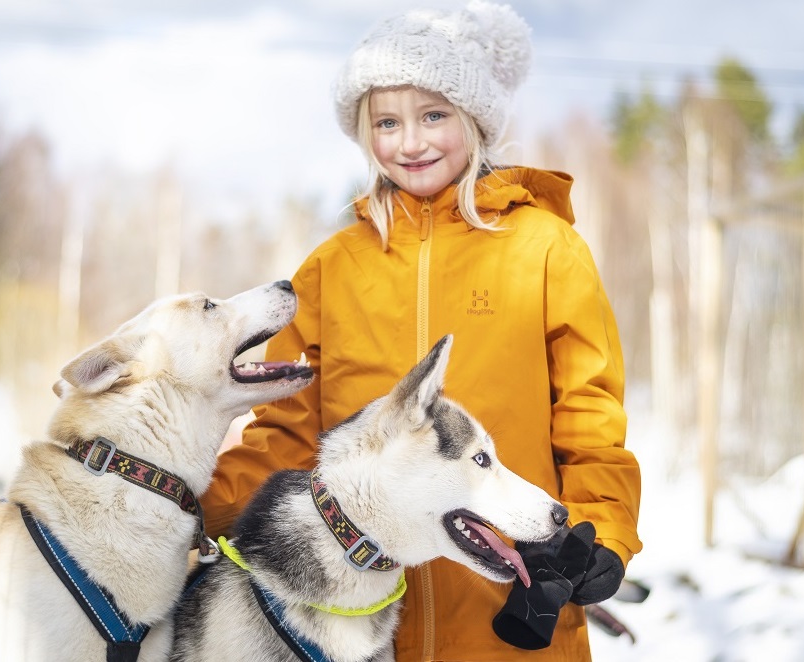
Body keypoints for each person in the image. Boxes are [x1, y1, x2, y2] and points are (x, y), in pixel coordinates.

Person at [199, 2, 641, 659]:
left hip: (508, 605)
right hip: (362, 625)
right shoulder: (333, 267)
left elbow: (588, 412)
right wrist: (189, 508)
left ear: (475, 119)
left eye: (434, 115)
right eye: (386, 121)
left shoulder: (546, 250)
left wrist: (599, 528)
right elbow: (286, 432)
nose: (410, 142)